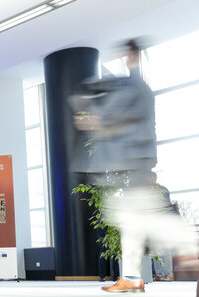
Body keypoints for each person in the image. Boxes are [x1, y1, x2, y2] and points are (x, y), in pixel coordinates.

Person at [70, 39, 198, 293]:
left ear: (133, 55)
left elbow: (123, 116)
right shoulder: (130, 85)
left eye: (125, 55)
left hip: (134, 164)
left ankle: (189, 248)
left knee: (135, 217)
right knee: (131, 220)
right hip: (131, 165)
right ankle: (131, 277)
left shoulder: (136, 86)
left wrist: (97, 121)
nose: (123, 59)